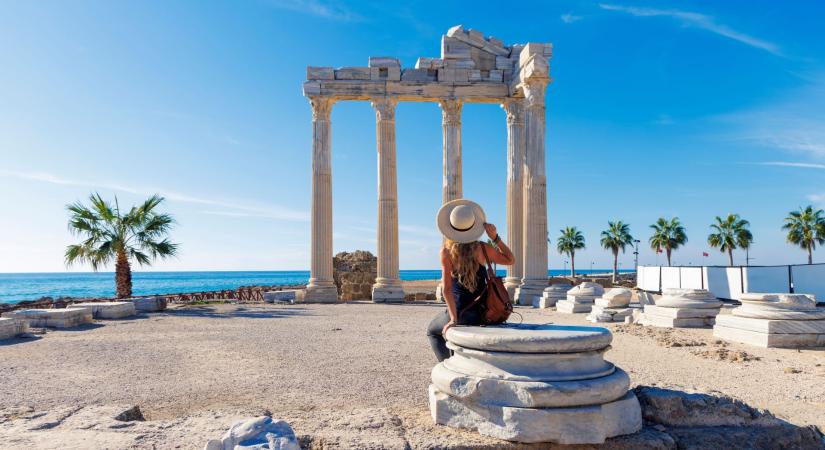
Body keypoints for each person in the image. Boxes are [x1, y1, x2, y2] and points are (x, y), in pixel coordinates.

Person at [426, 199, 515, 362]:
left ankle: (448, 366)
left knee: (432, 331)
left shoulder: (446, 253)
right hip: (484, 313)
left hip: (461, 313)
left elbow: (446, 289)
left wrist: (453, 319)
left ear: (451, 227)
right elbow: (510, 260)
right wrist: (495, 238)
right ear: (473, 226)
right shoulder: (482, 248)